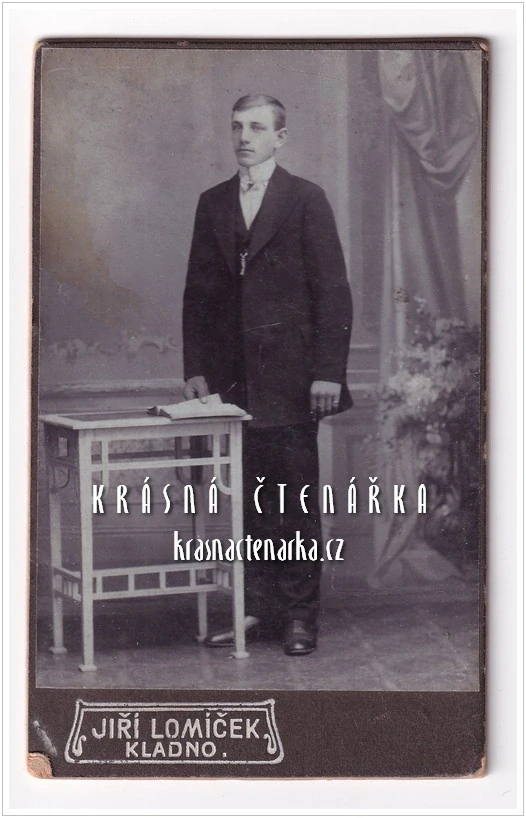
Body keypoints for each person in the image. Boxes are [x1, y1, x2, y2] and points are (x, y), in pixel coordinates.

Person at [182, 93, 352, 655]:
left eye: (256, 128)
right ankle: (258, 610)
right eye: (237, 126)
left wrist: (328, 372)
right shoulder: (212, 203)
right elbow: (198, 294)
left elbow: (333, 291)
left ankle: (301, 617)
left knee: (295, 501)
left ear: (280, 137)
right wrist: (196, 369)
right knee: (251, 502)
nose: (244, 137)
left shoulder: (305, 198)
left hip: (295, 379)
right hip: (233, 383)